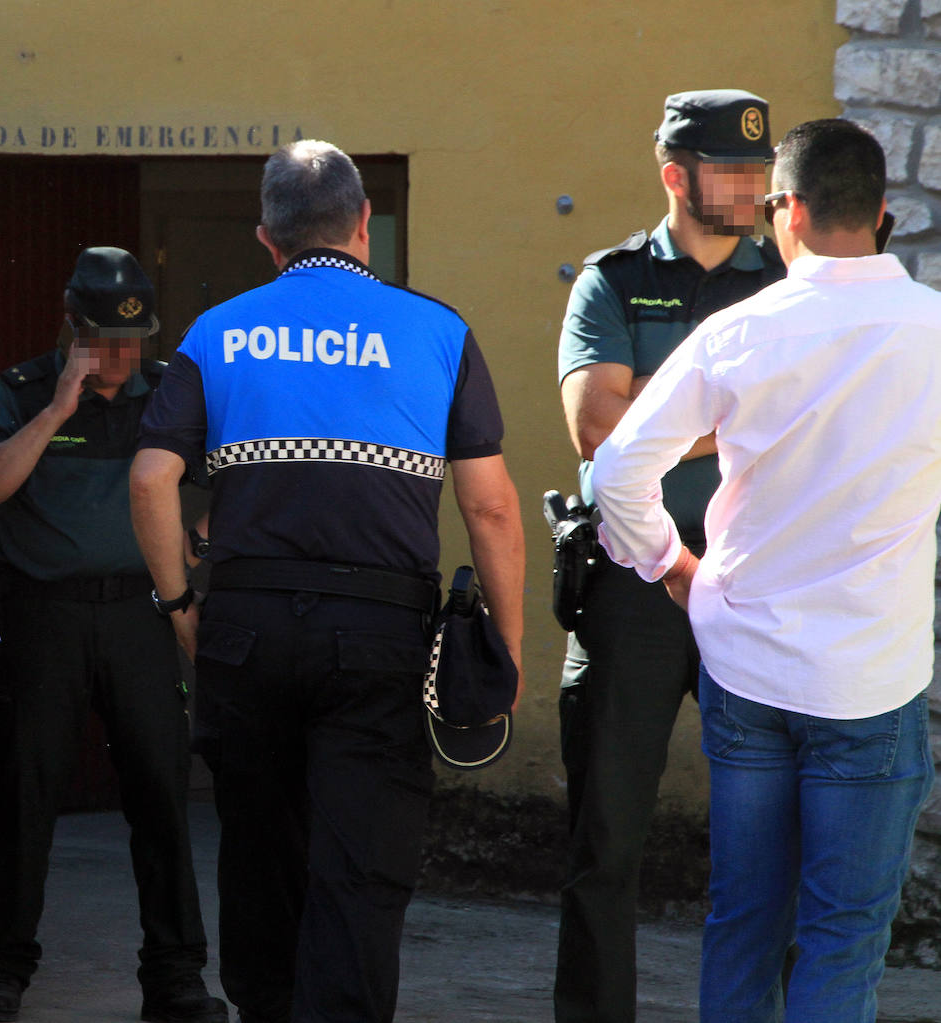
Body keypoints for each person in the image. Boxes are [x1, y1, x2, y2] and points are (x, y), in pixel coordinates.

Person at [130, 139, 526, 1023]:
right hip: (380, 634)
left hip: (245, 629)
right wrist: (505, 646)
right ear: (364, 227)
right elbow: (492, 510)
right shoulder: (438, 331)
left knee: (260, 856)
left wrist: (178, 605)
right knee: (361, 866)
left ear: (267, 239)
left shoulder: (217, 331)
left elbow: (153, 478)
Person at [591, 117, 939, 1023]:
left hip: (745, 667)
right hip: (870, 674)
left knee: (743, 918)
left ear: (786, 209)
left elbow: (617, 468)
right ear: (883, 211)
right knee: (846, 934)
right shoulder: (935, 330)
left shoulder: (737, 331)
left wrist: (669, 565)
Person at [553, 89, 785, 1023]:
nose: (752, 188)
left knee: (769, 843)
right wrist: (729, 405)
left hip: (753, 586)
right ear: (675, 176)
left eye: (761, 173)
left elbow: (638, 419)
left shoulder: (787, 285)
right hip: (633, 588)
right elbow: (596, 427)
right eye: (732, 170)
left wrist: (663, 408)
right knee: (604, 842)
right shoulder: (611, 279)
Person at [0, 247, 226, 1023]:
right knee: (27, 792)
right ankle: (4, 971)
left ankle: (175, 976)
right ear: (69, 328)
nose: (120, 355)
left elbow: (230, 475)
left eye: (133, 339)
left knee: (159, 792)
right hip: (44, 615)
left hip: (140, 614)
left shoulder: (169, 397)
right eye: (104, 340)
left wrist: (203, 534)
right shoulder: (19, 393)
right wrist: (59, 409)